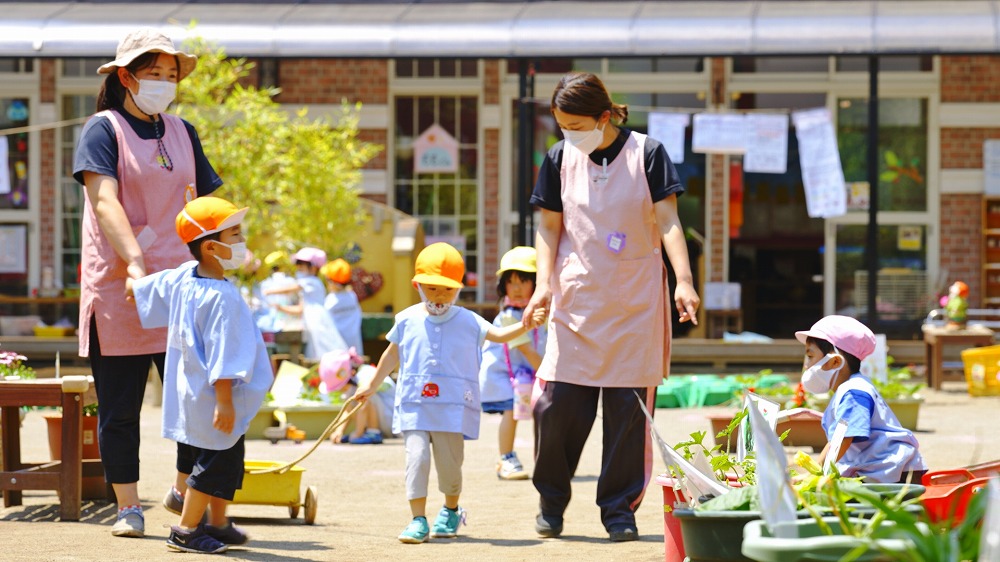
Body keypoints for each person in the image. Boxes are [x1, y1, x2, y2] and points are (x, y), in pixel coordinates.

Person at [522, 72, 700, 542]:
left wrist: (683, 280)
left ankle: (619, 511)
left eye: (577, 124)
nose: (569, 133)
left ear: (604, 116)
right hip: (576, 300)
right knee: (556, 408)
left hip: (636, 304)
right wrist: (542, 286)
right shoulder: (560, 157)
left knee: (628, 417)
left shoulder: (649, 153)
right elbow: (548, 227)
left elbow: (667, 221)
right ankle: (552, 501)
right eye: (562, 124)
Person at [72, 28, 223, 537]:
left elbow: (204, 209)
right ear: (125, 77)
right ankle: (127, 508)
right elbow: (105, 201)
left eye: (170, 75)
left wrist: (224, 253)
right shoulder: (103, 129)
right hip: (121, 288)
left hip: (181, 286)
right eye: (153, 74)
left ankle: (182, 488)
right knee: (120, 408)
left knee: (194, 396)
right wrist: (136, 263)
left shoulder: (183, 131)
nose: (163, 83)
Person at [355, 242, 547, 544]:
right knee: (415, 459)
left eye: (446, 289)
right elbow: (392, 355)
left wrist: (525, 322)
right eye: (431, 288)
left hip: (453, 406)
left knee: (449, 463)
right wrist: (371, 384)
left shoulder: (468, 320)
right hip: (415, 403)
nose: (438, 296)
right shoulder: (406, 320)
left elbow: (497, 335)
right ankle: (418, 519)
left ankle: (451, 509)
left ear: (458, 288)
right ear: (417, 285)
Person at [129, 196, 273, 553]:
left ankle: (218, 524)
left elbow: (145, 290)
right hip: (216, 399)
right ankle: (186, 530)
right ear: (211, 247)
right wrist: (224, 401)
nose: (242, 242)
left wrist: (132, 283)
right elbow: (225, 354)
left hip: (191, 395)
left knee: (223, 463)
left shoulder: (184, 276)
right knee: (213, 466)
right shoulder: (223, 297)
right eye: (235, 235)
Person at [796, 315, 927, 484]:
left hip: (894, 472)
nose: (806, 365)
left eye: (810, 356)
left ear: (835, 361)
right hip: (886, 469)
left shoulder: (853, 392)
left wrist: (814, 473)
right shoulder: (852, 387)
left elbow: (843, 438)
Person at [479, 246, 547, 480]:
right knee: (511, 410)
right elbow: (527, 351)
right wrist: (551, 375)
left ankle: (547, 460)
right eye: (511, 282)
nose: (516, 288)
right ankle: (506, 458)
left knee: (545, 411)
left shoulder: (544, 312)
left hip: (530, 374)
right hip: (506, 376)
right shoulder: (509, 317)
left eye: (524, 281)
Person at [264, 247, 347, 360]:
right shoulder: (308, 288)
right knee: (315, 351)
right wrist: (280, 308)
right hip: (311, 323)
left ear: (313, 268)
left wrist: (269, 291)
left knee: (323, 349)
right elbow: (300, 309)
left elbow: (292, 288)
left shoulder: (312, 282)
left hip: (317, 321)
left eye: (302, 267)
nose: (299, 270)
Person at [321, 258, 364, 355]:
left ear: (332, 282)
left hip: (335, 351)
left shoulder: (330, 300)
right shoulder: (352, 296)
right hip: (354, 349)